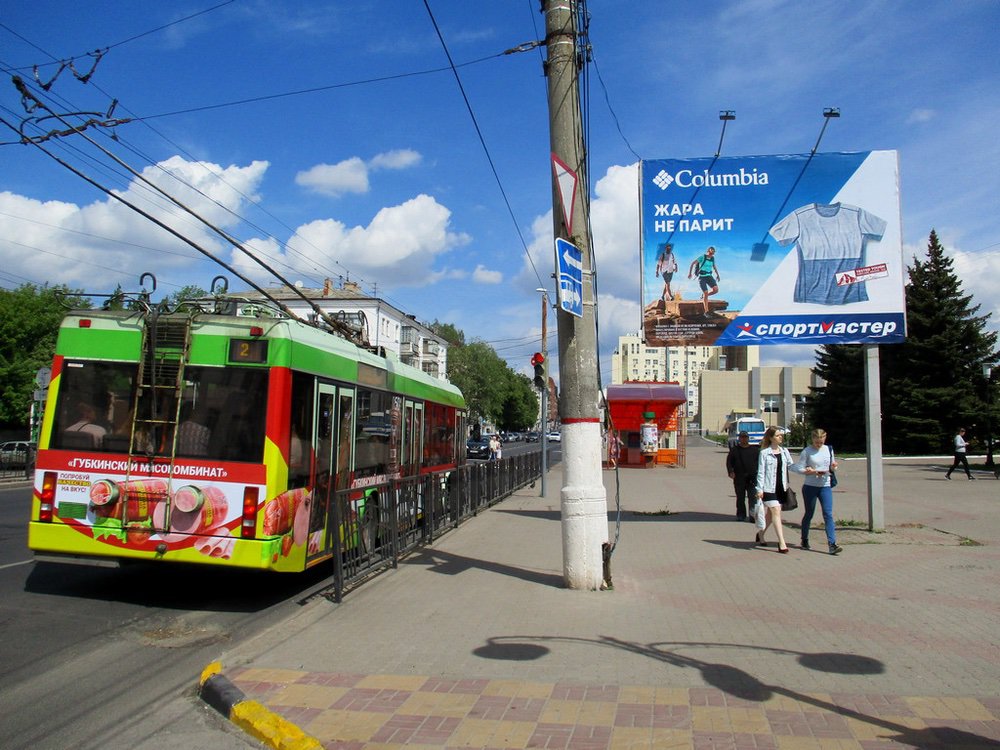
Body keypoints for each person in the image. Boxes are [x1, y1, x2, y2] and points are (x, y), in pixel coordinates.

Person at [794, 428, 843, 554]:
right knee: (809, 513)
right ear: (813, 440)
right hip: (810, 486)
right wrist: (808, 470)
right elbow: (799, 468)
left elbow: (832, 466)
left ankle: (832, 544)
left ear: (825, 439)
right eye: (817, 442)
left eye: (821, 442)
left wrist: (833, 467)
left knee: (828, 514)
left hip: (825, 485)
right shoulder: (807, 451)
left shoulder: (828, 449)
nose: (819, 445)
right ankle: (804, 539)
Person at [754, 426, 793, 553]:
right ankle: (782, 543)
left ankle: (760, 534)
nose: (780, 437)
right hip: (768, 488)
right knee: (776, 511)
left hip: (781, 488)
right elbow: (761, 472)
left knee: (771, 516)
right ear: (771, 438)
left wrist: (807, 469)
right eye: (777, 435)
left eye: (781, 435)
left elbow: (791, 466)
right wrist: (759, 489)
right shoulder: (764, 453)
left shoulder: (784, 452)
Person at [726, 431, 759, 521]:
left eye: (745, 437)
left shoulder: (755, 450)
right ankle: (741, 515)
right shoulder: (734, 450)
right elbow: (729, 462)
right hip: (739, 478)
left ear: (748, 438)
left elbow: (760, 463)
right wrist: (730, 472)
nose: (744, 439)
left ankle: (753, 516)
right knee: (740, 498)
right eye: (742, 437)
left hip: (752, 478)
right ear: (739, 438)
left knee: (753, 498)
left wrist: (758, 474)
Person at [687, 246, 721, 317]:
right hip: (702, 277)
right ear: (708, 250)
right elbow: (692, 263)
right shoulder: (703, 257)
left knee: (716, 290)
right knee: (705, 292)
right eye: (712, 250)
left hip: (709, 276)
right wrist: (690, 273)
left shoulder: (712, 258)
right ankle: (706, 312)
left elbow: (714, 267)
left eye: (714, 251)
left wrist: (718, 275)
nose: (713, 252)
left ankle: (704, 296)